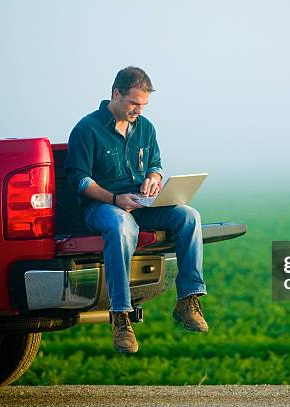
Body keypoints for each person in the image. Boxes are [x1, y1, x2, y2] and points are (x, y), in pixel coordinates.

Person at [65, 66, 208, 354]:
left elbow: (155, 163)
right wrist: (116, 199)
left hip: (141, 204)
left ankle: (188, 300)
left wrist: (154, 179)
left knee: (189, 216)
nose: (138, 110)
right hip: (103, 206)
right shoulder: (86, 129)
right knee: (121, 225)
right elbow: (79, 180)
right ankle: (121, 316)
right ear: (116, 93)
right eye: (133, 103)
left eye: (143, 105)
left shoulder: (146, 127)